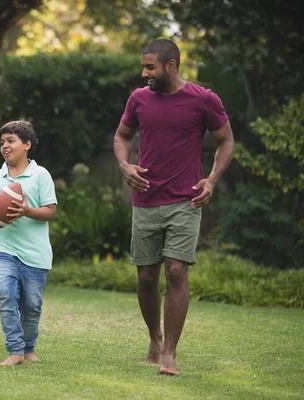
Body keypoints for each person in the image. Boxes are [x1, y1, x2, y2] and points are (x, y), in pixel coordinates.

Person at [113, 39, 234, 375]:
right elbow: (122, 136)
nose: (144, 72)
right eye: (143, 66)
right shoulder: (139, 99)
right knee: (147, 277)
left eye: (150, 66)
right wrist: (125, 166)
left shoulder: (203, 99)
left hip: (186, 199)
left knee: (177, 272)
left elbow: (226, 141)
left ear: (170, 65)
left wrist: (210, 179)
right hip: (146, 199)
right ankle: (154, 339)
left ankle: (169, 353)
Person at [0, 121, 57, 366]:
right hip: (4, 248)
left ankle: (28, 347)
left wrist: (26, 211)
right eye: (2, 142)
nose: (5, 146)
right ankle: (15, 350)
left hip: (36, 253)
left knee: (32, 305)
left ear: (27, 145)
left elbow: (51, 212)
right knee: (4, 293)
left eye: (10, 141)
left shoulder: (41, 175)